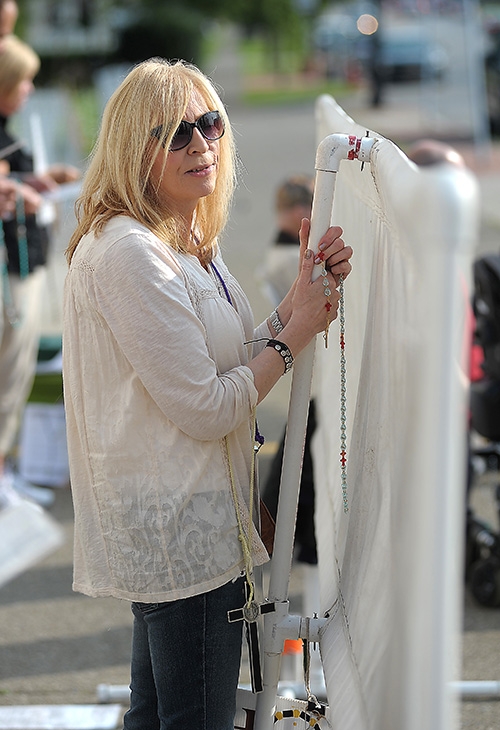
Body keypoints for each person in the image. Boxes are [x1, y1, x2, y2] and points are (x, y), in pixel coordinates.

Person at [62, 57, 352, 730]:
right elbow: (207, 406)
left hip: (191, 522)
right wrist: (295, 338)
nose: (202, 144)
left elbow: (222, 359)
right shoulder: (130, 250)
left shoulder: (185, 235)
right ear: (136, 150)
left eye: (210, 123)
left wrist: (296, 306)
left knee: (160, 714)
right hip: (183, 535)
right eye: (177, 133)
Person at [0, 34, 79, 508]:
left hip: (19, 262)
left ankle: (7, 473)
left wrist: (35, 183)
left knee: (15, 369)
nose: (30, 88)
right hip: (11, 266)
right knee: (11, 369)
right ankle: (4, 479)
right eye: (24, 79)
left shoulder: (9, 128)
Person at [260, 174, 319, 564]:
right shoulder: (290, 259)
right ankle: (289, 534)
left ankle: (282, 530)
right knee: (303, 445)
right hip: (304, 355)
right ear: (299, 212)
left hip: (296, 354)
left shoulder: (275, 251)